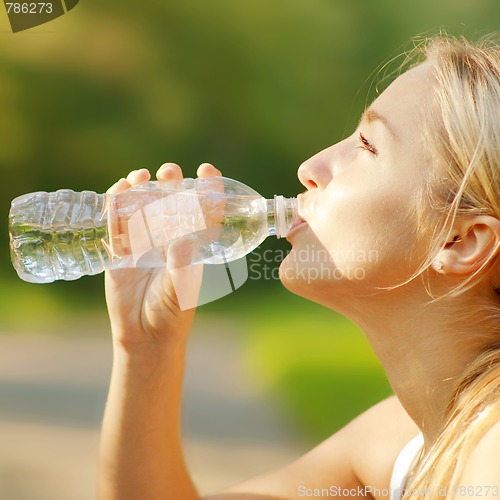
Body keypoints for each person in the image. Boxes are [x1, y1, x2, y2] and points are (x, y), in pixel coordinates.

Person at [98, 34, 500, 499]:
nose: (311, 166)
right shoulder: (405, 441)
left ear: (461, 240)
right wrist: (147, 346)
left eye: (368, 146)